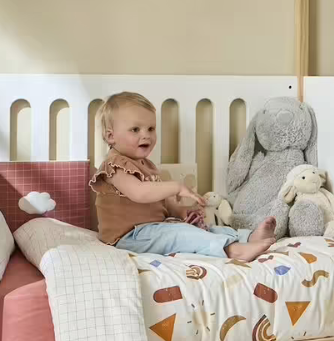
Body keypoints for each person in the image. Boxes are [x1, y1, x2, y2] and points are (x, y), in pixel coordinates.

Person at [90, 92, 276, 262]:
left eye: (151, 128)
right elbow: (140, 193)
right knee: (182, 234)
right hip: (128, 237)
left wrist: (180, 212)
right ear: (111, 136)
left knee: (200, 229)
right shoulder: (113, 165)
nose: (146, 135)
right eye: (135, 129)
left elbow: (159, 202)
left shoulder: (146, 165)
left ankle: (247, 237)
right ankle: (233, 251)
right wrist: (176, 187)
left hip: (150, 231)